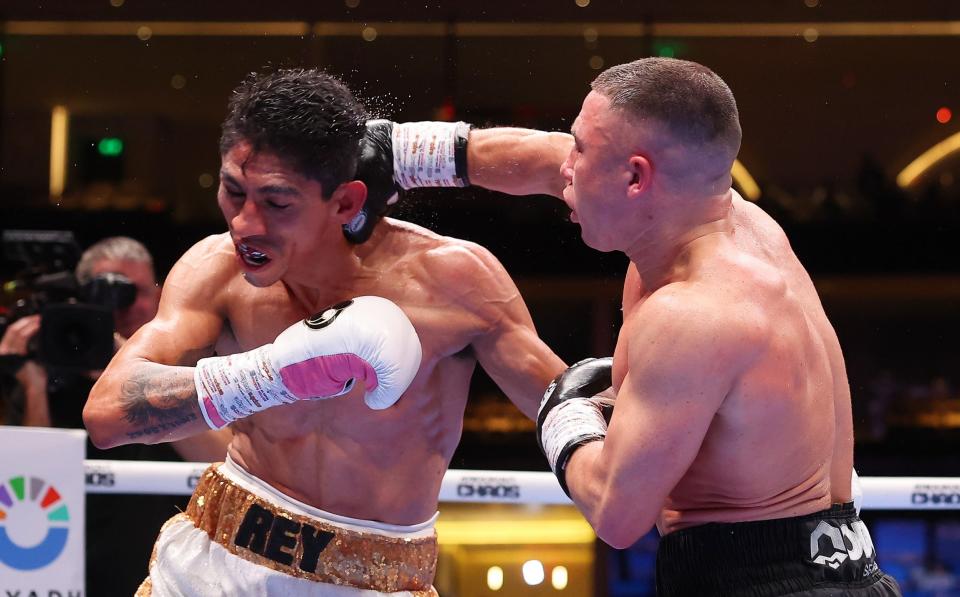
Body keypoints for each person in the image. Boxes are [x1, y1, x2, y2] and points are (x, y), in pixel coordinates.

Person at [376, 57, 902, 596]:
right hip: (841, 564)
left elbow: (616, 513)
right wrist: (402, 153)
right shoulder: (734, 221)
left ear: (634, 177)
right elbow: (546, 158)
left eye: (580, 148)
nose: (566, 165)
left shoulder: (692, 314)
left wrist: (564, 415)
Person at [82, 68, 565, 596]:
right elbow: (106, 416)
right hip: (212, 564)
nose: (244, 224)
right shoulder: (215, 269)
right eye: (233, 191)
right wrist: (271, 375)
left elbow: (575, 418)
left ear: (345, 202)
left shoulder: (451, 283)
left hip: (375, 575)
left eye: (276, 202)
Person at [0, 236, 230, 596]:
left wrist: (135, 376)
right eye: (101, 290)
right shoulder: (49, 362)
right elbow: (25, 485)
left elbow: (222, 460)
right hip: (60, 568)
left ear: (158, 297)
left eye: (132, 291)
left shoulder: (191, 363)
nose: (119, 305)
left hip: (159, 574)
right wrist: (31, 381)